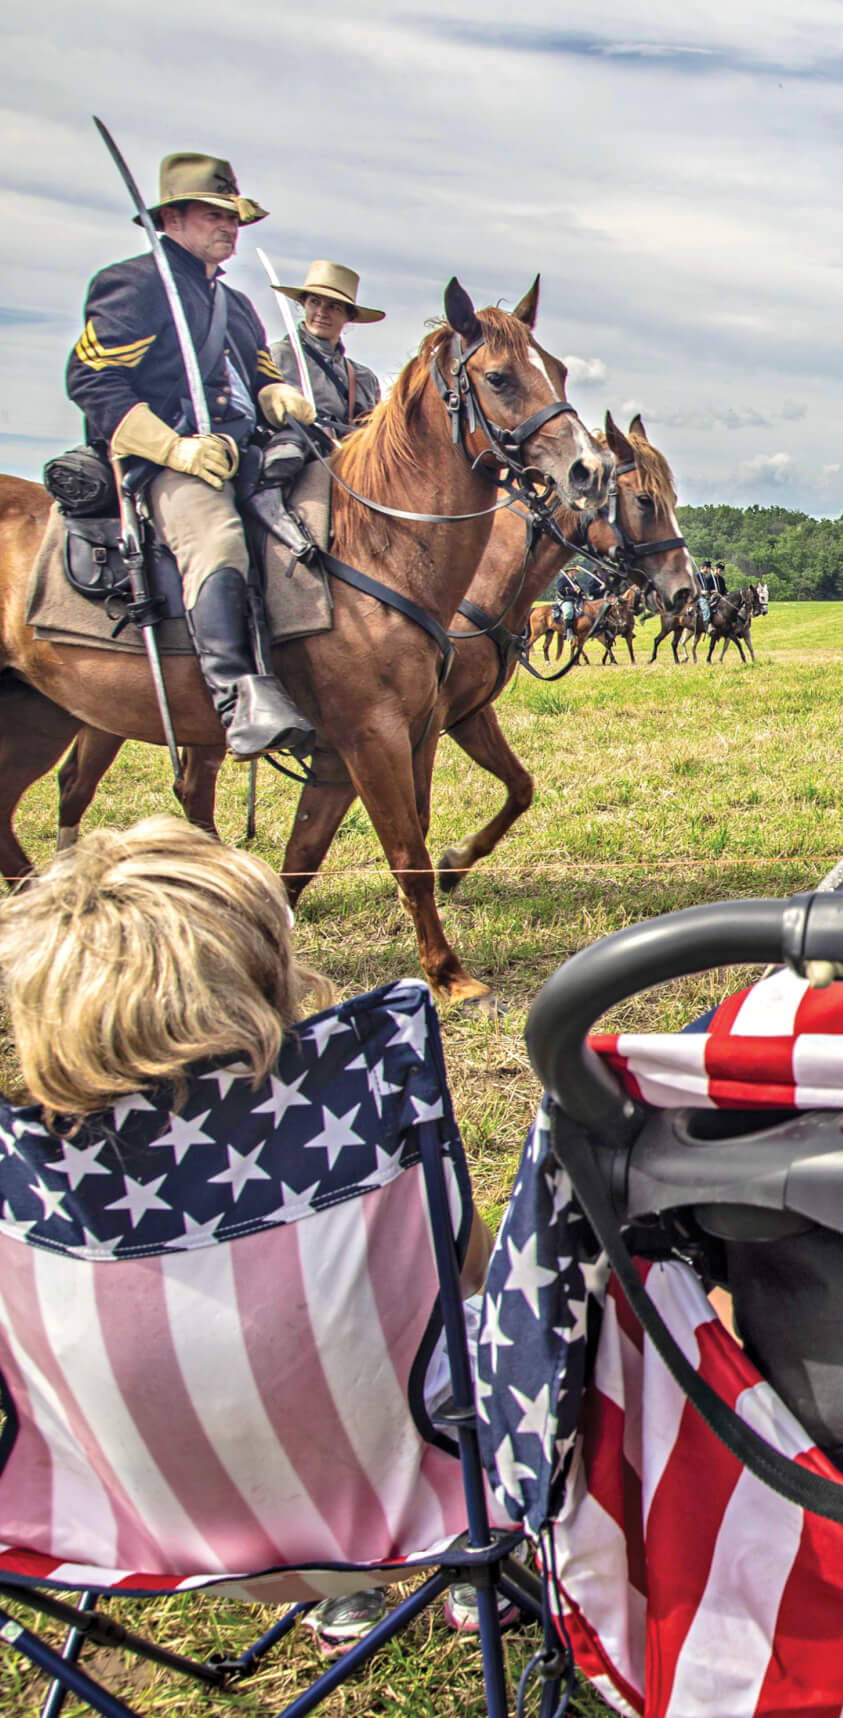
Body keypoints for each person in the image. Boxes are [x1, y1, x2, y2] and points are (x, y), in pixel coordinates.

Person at [0, 817, 498, 1649]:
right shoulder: (352, 1116)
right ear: (264, 977)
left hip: (120, 1530)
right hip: (424, 1503)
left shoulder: (24, 1181)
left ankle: (341, 1595)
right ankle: (472, 1578)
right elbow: (480, 1280)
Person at [65, 151, 318, 759]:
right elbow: (92, 381)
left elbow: (255, 371)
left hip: (239, 448)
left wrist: (274, 392)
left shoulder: (232, 303)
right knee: (217, 537)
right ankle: (238, 697)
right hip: (163, 459)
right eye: (213, 215)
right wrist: (172, 448)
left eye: (232, 216)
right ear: (172, 217)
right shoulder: (137, 284)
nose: (228, 226)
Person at [267, 259, 384, 440]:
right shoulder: (278, 356)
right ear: (304, 304)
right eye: (315, 302)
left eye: (333, 307)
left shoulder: (364, 378)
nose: (322, 312)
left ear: (348, 316)